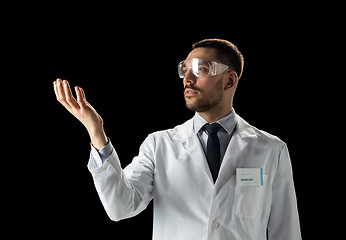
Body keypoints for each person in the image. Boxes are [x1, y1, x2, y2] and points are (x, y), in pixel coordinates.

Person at [53, 39, 301, 240]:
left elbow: (285, 231)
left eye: (200, 69)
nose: (188, 79)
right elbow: (120, 207)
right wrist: (97, 133)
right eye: (185, 69)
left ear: (230, 80)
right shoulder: (159, 145)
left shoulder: (271, 149)